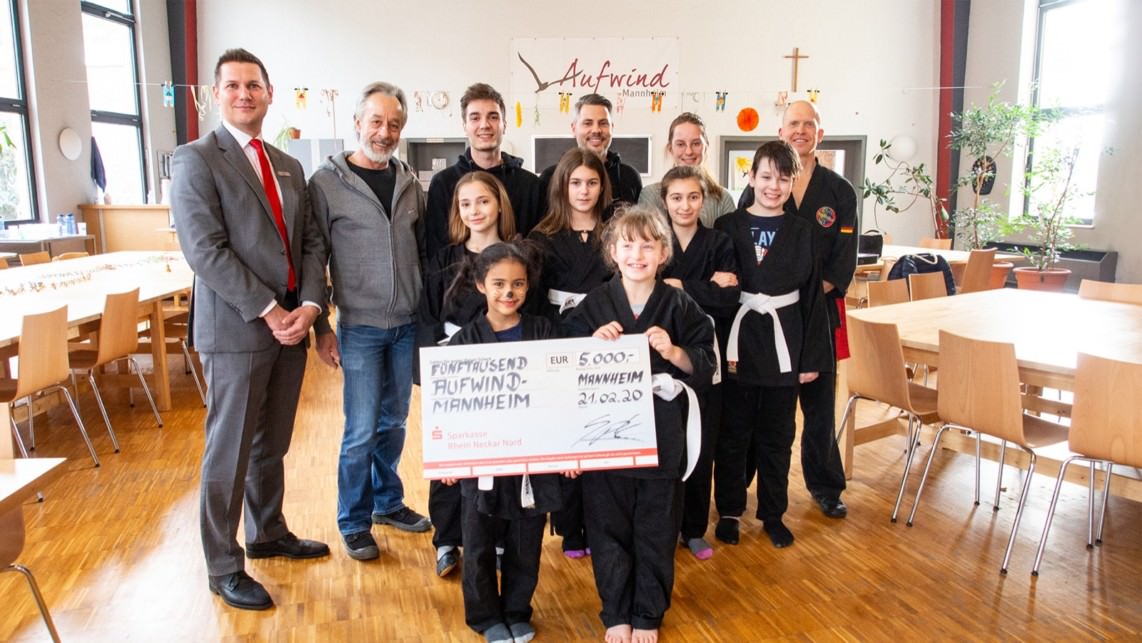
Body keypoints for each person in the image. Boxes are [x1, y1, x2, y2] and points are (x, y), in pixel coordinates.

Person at [171, 48, 329, 611]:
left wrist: (310, 307)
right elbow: (204, 251)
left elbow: (311, 242)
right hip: (239, 327)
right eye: (233, 85)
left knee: (273, 442)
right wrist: (267, 309)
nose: (244, 94)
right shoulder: (195, 160)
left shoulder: (287, 164)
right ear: (217, 94)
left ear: (269, 94)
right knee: (229, 451)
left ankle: (268, 533)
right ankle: (222, 564)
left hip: (292, 326)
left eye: (253, 85)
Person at [565, 206, 715, 643]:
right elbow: (564, 362)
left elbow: (704, 363)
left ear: (663, 252)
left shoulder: (679, 304)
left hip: (661, 432)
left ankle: (648, 614)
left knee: (656, 528)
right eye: (627, 245)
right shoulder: (594, 304)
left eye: (648, 245)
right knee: (607, 528)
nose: (637, 254)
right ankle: (616, 612)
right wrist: (591, 346)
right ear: (613, 251)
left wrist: (672, 353)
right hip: (604, 434)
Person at [309, 81, 430, 563]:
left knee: (394, 420)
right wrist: (321, 327)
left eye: (394, 124)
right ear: (357, 123)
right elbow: (314, 255)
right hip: (358, 327)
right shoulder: (326, 183)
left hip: (405, 325)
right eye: (376, 122)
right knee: (360, 430)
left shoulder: (408, 181)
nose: (384, 132)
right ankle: (354, 521)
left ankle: (387, 502)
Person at [737, 100, 856, 519]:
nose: (801, 130)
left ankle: (826, 485)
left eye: (809, 124)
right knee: (762, 406)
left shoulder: (839, 191)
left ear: (819, 134)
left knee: (819, 406)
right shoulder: (761, 185)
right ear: (781, 132)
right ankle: (744, 486)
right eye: (793, 124)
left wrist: (805, 294)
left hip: (817, 311)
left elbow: (844, 255)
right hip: (769, 319)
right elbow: (745, 256)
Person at [443, 241, 566, 643]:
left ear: (529, 287)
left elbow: (560, 394)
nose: (508, 292)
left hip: (533, 459)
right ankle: (483, 616)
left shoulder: (544, 331)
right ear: (480, 285)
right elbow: (450, 406)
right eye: (498, 283)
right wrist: (449, 459)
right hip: (482, 460)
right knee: (477, 541)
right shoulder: (464, 341)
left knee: (525, 541)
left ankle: (516, 610)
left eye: (517, 284)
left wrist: (568, 449)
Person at [712, 140, 832, 549]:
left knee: (778, 435)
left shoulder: (804, 232)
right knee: (733, 433)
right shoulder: (727, 227)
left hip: (786, 343)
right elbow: (718, 291)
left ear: (792, 182)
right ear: (750, 177)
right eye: (765, 176)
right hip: (737, 343)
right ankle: (729, 510)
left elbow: (815, 298)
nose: (773, 186)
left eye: (783, 178)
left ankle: (773, 513)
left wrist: (812, 358)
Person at [418, 171, 518, 577]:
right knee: (452, 456)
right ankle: (446, 538)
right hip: (452, 367)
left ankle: (494, 537)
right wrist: (431, 370)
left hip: (503, 368)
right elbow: (426, 315)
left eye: (483, 201)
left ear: (499, 205)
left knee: (497, 456)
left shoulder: (517, 255)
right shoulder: (444, 259)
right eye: (466, 204)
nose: (475, 211)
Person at [528, 146, 612, 558]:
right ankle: (569, 524)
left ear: (603, 186)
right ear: (562, 185)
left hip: (604, 339)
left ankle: (599, 524)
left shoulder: (615, 231)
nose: (584, 191)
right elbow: (533, 296)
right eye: (576, 182)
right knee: (566, 437)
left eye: (592, 183)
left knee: (599, 434)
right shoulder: (541, 237)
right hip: (558, 338)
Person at [658, 166, 740, 561]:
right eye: (676, 197)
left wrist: (683, 287)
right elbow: (653, 295)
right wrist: (708, 287)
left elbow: (728, 300)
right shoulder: (656, 244)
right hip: (663, 352)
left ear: (704, 200)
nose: (685, 205)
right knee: (668, 444)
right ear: (664, 202)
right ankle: (664, 526)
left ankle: (693, 529)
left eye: (693, 197)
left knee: (703, 442)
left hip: (707, 352)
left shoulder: (720, 242)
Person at [424, 83, 541, 259]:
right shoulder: (443, 183)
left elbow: (537, 251)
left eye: (493, 117)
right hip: (457, 284)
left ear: (504, 125)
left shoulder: (530, 186)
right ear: (464, 126)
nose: (484, 125)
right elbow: (436, 253)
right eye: (475, 118)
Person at [537, 94, 642, 215]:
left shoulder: (630, 177)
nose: (596, 130)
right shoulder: (550, 177)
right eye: (588, 123)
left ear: (612, 128)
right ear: (573, 128)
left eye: (603, 123)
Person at [639, 113, 736, 228]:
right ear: (671, 149)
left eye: (696, 144)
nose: (689, 151)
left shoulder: (723, 198)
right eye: (680, 144)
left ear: (706, 147)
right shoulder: (650, 195)